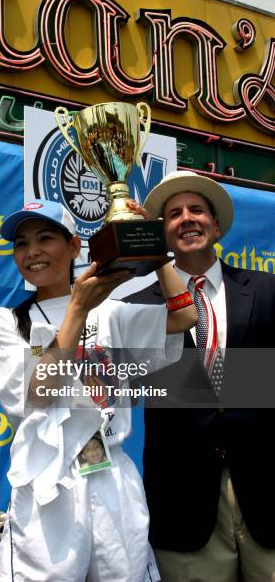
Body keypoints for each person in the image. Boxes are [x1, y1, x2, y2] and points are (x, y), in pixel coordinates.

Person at [0, 198, 197, 582]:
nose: (32, 252)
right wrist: (77, 310)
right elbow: (41, 393)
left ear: (74, 246)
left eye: (45, 238)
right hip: (49, 482)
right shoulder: (6, 322)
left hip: (112, 476)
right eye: (21, 243)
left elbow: (184, 316)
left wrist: (157, 252)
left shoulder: (111, 312)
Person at [124, 170, 275, 582]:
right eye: (173, 214)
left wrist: (184, 386)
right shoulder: (136, 308)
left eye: (196, 210)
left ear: (217, 224)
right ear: (162, 233)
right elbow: (132, 388)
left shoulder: (267, 290)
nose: (186, 218)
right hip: (183, 503)